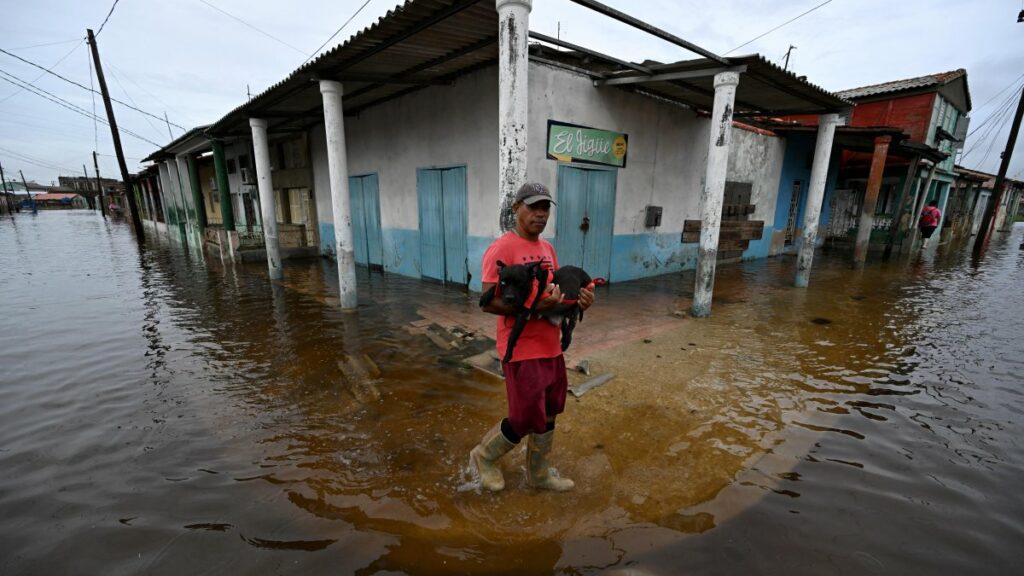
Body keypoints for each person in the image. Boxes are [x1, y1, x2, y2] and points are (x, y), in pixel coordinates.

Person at [470, 182, 595, 492]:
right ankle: (483, 456)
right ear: (516, 209)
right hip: (521, 346)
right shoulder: (502, 248)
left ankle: (538, 474)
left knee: (551, 409)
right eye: (533, 207)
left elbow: (555, 292)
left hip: (550, 344)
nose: (540, 214)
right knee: (525, 416)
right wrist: (535, 306)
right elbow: (487, 301)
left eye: (545, 208)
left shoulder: (547, 249)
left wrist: (580, 301)